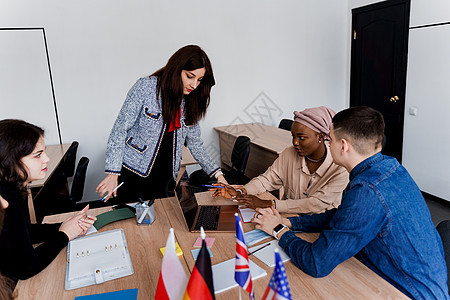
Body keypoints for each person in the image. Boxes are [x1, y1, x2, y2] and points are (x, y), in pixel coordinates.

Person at [253, 106, 449, 299]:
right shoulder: (389, 168)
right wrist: (291, 223)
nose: (328, 144)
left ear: (343, 145)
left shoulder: (367, 190)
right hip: (422, 283)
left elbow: (316, 263)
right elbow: (345, 214)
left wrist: (278, 230)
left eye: (330, 139)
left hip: (407, 292)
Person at [96, 45, 227, 203]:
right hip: (133, 174)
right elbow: (120, 129)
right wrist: (113, 173)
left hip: (165, 179)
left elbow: (196, 144)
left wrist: (218, 175)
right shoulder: (146, 87)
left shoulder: (191, 101)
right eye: (190, 76)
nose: (194, 85)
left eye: (199, 80)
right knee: (129, 223)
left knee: (163, 224)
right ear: (176, 68)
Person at [0, 119, 97, 281]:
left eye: (44, 152)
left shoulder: (13, 187)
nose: (47, 159)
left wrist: (67, 227)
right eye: (38, 155)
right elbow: (26, 267)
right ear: (11, 160)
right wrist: (64, 235)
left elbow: (24, 232)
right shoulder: (6, 199)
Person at [213, 106, 348, 214]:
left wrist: (269, 203)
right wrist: (242, 192)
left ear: (320, 136)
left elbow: (315, 203)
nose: (295, 142)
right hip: (286, 218)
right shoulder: (289, 154)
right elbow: (266, 180)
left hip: (318, 227)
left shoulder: (340, 167)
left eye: (301, 137)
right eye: (293, 136)